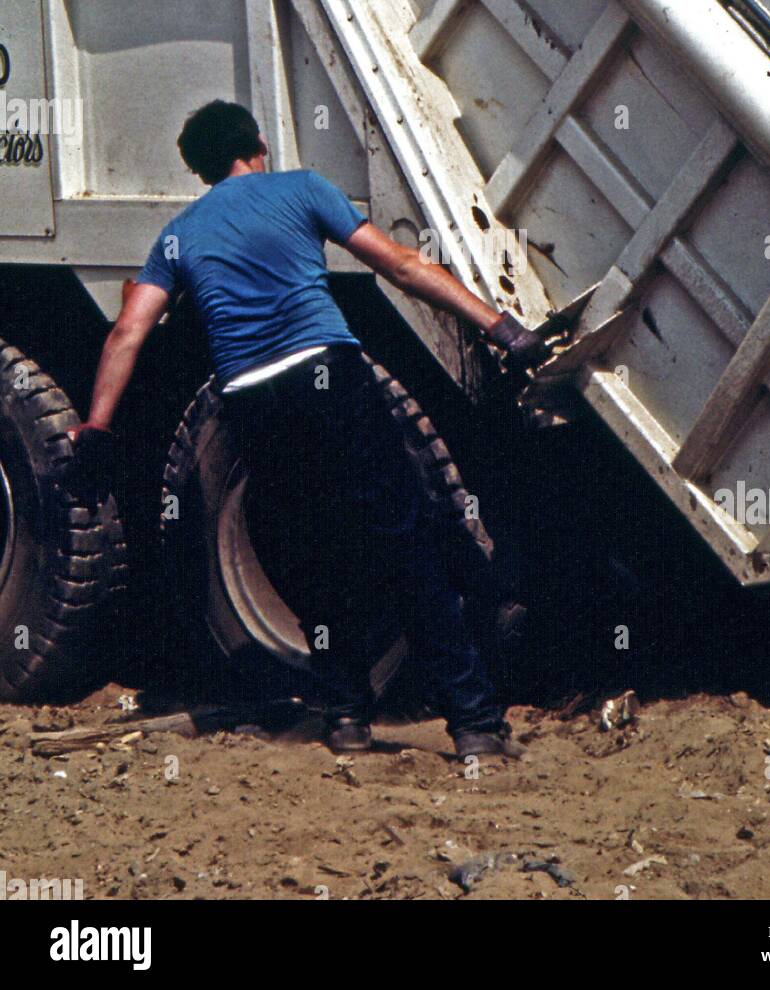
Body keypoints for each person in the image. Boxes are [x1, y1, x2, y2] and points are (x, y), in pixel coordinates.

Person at [68, 100, 546, 758]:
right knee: (408, 546)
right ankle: (475, 725)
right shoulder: (302, 188)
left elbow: (129, 330)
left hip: (252, 406)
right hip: (329, 380)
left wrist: (95, 426)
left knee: (317, 556)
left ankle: (346, 718)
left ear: (201, 171)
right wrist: (498, 325)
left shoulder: (179, 235)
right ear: (258, 144)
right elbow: (403, 266)